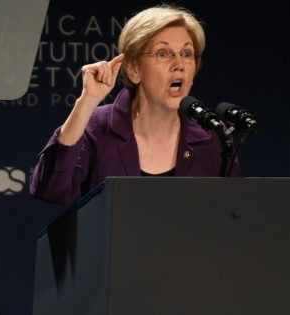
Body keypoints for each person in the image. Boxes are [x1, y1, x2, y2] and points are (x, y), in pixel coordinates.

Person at [30, 4, 240, 204]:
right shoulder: (97, 126)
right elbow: (50, 190)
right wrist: (87, 101)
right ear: (133, 68)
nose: (179, 65)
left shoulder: (212, 135)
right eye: (163, 53)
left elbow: (232, 217)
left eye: (186, 54)